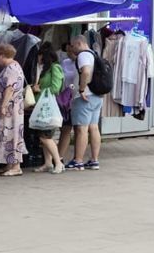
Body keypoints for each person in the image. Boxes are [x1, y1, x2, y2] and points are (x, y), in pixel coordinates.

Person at [0, 43, 27, 177]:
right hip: (14, 107)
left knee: (11, 134)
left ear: (2, 55)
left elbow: (9, 88)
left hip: (10, 109)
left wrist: (3, 106)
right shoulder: (15, 66)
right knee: (10, 134)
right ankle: (10, 163)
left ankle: (16, 166)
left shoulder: (11, 69)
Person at [68, 36, 104, 171]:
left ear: (79, 43)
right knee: (93, 127)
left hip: (85, 96)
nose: (72, 48)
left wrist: (82, 88)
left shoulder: (83, 55)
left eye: (73, 45)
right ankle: (94, 160)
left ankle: (78, 161)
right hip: (97, 95)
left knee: (81, 129)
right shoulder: (94, 54)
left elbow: (86, 71)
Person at [31, 44, 66, 174]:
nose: (38, 58)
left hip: (49, 107)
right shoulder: (44, 69)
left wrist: (40, 89)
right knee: (43, 135)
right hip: (43, 107)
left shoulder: (55, 68)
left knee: (46, 137)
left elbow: (56, 88)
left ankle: (58, 163)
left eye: (40, 56)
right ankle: (48, 163)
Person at [57, 42, 79, 163]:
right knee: (64, 127)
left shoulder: (81, 63)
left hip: (75, 98)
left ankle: (63, 156)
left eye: (70, 51)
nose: (68, 54)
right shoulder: (65, 62)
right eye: (67, 51)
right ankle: (59, 156)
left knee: (70, 128)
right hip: (64, 98)